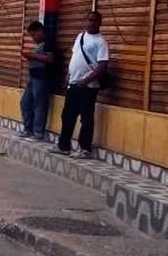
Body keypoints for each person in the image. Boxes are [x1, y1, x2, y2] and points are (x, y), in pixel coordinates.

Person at [51, 11, 109, 159]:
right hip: (73, 84)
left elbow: (102, 66)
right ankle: (64, 145)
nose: (90, 23)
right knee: (68, 116)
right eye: (89, 20)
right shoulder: (80, 37)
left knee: (86, 118)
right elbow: (74, 56)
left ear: (99, 23)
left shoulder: (101, 42)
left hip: (88, 87)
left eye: (94, 21)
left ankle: (84, 148)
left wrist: (86, 81)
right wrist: (68, 76)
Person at [20, 21, 54, 141]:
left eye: (34, 35)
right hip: (33, 77)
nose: (33, 39)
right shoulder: (39, 44)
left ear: (40, 31)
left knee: (39, 104)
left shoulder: (49, 42)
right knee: (25, 102)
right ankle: (27, 129)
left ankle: (38, 132)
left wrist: (31, 56)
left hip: (42, 78)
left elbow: (49, 59)